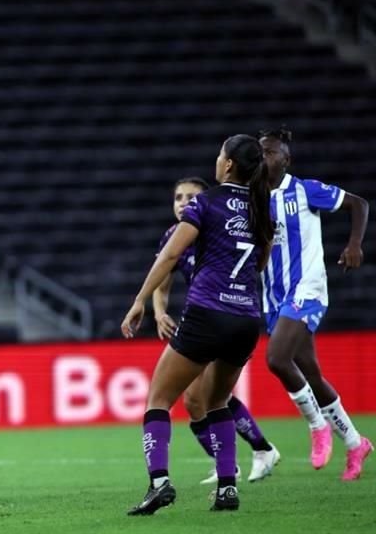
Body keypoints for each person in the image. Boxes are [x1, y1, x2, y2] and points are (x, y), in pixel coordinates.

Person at [121, 135, 274, 515]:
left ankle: (159, 484)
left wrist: (140, 300)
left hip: (207, 312)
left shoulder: (206, 203)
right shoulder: (261, 209)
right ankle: (226, 489)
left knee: (158, 399)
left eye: (220, 155)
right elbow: (260, 265)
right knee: (217, 401)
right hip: (246, 318)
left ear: (226, 166)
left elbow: (173, 252)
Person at [259, 127, 372, 480]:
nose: (264, 157)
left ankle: (317, 426)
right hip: (273, 296)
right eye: (260, 151)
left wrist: (354, 245)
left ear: (285, 159)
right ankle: (355, 443)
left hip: (307, 288)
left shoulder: (305, 190)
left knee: (277, 359)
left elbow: (359, 203)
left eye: (270, 152)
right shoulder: (253, 196)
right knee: (310, 373)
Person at [152, 177, 280, 484]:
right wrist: (158, 312)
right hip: (204, 318)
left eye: (190, 196)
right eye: (178, 196)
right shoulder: (174, 236)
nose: (183, 202)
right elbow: (162, 281)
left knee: (205, 398)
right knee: (197, 401)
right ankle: (235, 463)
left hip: (223, 315)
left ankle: (258, 451)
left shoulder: (217, 228)